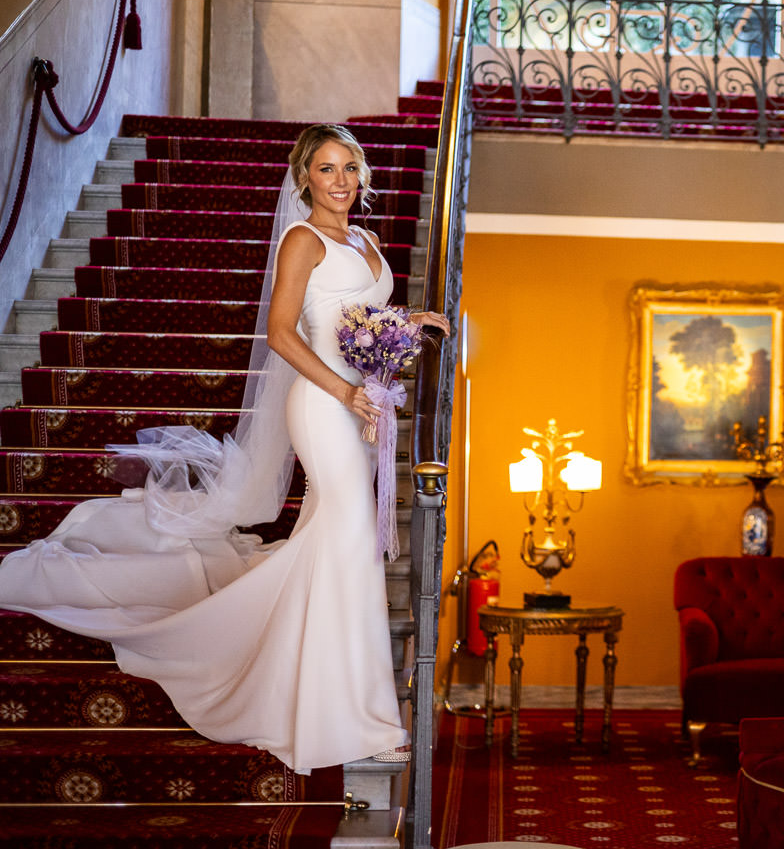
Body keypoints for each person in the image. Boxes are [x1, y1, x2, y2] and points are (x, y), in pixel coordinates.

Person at [0, 124, 448, 773]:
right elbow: (284, 333)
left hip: (357, 408)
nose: (342, 179)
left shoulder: (369, 240)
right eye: (327, 168)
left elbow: (355, 319)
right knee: (349, 540)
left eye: (350, 166)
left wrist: (406, 323)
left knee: (339, 546)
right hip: (322, 408)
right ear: (306, 179)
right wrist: (343, 393)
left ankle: (336, 697)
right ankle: (354, 714)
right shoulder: (303, 239)